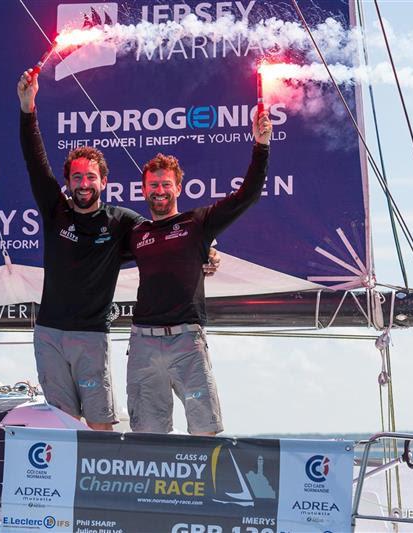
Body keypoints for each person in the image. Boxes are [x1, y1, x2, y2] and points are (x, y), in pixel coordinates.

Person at [16, 68, 220, 430]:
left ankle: (98, 483)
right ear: (67, 183)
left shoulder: (122, 222)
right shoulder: (55, 211)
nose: (83, 183)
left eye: (90, 177)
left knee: (99, 423)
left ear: (104, 181)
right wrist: (28, 108)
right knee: (62, 423)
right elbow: (35, 163)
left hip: (92, 337)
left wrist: (207, 248)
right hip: (48, 333)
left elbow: (168, 237)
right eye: (76, 177)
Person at [126, 111, 273, 435]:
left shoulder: (198, 223)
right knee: (148, 434)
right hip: (143, 344)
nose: (160, 190)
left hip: (186, 342)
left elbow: (246, 196)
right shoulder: (137, 232)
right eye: (153, 185)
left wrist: (261, 146)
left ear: (179, 186)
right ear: (143, 190)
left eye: (166, 184)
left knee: (204, 430)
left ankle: (203, 486)